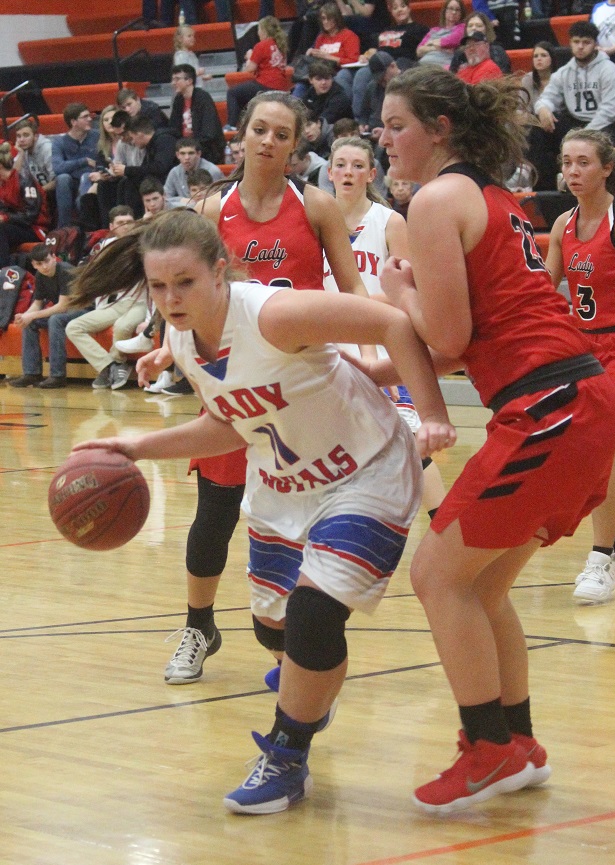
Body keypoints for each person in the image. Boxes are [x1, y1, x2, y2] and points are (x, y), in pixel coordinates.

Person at [69, 207, 452, 814]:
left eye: (185, 282)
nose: (171, 298)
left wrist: (431, 414)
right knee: (272, 630)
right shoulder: (182, 340)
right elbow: (229, 426)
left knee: (312, 616)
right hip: (284, 486)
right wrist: (136, 447)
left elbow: (393, 323)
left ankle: (286, 755)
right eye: (159, 286)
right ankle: (311, 692)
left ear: (220, 271)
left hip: (367, 467)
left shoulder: (273, 315)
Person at [375, 65, 615, 813]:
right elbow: (466, 344)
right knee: (481, 586)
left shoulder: (433, 201)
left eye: (396, 125)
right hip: (576, 398)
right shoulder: (491, 198)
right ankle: (517, 743)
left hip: (549, 406)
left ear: (439, 129)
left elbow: (446, 333)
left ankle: (487, 748)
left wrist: (399, 293)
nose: (385, 139)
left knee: (435, 577)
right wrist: (372, 364)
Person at [148, 90, 375, 686]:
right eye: (260, 130)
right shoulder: (211, 207)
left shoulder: (317, 206)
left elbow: (352, 290)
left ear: (296, 144)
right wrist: (163, 345)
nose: (269, 141)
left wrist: (372, 356)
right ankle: (199, 626)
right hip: (234, 384)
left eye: (282, 133)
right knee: (214, 515)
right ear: (241, 135)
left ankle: (296, 645)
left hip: (301, 390)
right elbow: (179, 284)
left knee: (302, 521)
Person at [545, 129, 615, 602]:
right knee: (608, 452)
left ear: (607, 168)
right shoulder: (563, 224)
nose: (572, 171)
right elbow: (544, 292)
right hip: (587, 348)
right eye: (567, 162)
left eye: (583, 162)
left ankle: (601, 558)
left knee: (601, 448)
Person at [323, 135, 446, 513]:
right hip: (330, 349)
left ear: (371, 174)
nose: (348, 172)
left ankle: (444, 522)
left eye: (357, 165)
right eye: (341, 165)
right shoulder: (315, 221)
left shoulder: (390, 221)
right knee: (332, 450)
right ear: (329, 172)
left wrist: (371, 321)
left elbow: (410, 291)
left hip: (383, 343)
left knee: (409, 443)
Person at [529, 21, 615, 191]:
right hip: (578, 123)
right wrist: (543, 109)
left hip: (610, 124)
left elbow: (610, 110)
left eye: (586, 42)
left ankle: (613, 190)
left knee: (613, 139)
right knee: (539, 125)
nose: (581, 47)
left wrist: (583, 135)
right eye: (576, 42)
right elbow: (546, 97)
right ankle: (545, 189)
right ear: (570, 43)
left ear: (595, 44)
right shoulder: (564, 72)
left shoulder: (610, 70)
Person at [65, 207, 147, 390]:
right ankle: (108, 366)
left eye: (129, 222)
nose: (126, 226)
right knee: (73, 327)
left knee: (122, 326)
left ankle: (118, 362)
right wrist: (99, 306)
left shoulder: (144, 244)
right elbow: (98, 278)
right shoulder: (105, 246)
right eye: (120, 223)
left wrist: (150, 319)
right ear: (111, 227)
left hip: (140, 303)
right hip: (116, 304)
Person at [8, 242, 85, 389]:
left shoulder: (65, 271)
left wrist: (32, 315)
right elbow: (37, 303)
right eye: (39, 264)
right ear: (33, 265)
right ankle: (32, 373)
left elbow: (62, 306)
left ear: (54, 258)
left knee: (55, 320)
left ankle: (58, 376)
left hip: (85, 308)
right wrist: (24, 316)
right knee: (30, 322)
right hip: (66, 311)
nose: (44, 266)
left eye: (47, 261)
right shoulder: (40, 276)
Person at [224, 17, 291, 130]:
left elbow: (249, 69)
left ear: (263, 30)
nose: (258, 33)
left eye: (259, 29)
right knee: (245, 94)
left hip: (265, 84)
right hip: (281, 86)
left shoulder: (262, 45)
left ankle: (232, 125)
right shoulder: (281, 45)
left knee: (233, 93)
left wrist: (249, 56)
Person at [109, 116, 178, 218]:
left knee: (131, 185)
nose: (132, 142)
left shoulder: (164, 140)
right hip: (156, 179)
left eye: (132, 138)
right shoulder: (151, 144)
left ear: (140, 135)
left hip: (167, 180)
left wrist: (127, 170)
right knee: (123, 183)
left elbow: (160, 167)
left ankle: (135, 219)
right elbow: (145, 167)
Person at [0, 142, 49, 268]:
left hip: (35, 228)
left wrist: (6, 217)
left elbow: (31, 215)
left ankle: (4, 270)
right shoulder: (3, 184)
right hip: (16, 226)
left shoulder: (24, 179)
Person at [51, 103, 99, 228]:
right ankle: (64, 228)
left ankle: (87, 227)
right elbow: (58, 168)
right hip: (71, 183)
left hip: (92, 180)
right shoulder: (59, 141)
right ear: (73, 122)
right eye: (85, 117)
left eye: (89, 116)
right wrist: (84, 161)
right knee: (62, 178)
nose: (90, 119)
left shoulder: (97, 136)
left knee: (86, 176)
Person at [169, 64, 226, 164]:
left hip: (205, 150)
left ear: (189, 81)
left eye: (177, 79)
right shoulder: (178, 100)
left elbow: (209, 133)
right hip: (184, 148)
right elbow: (173, 128)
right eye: (173, 79)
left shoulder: (203, 98)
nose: (173, 83)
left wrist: (189, 146)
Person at [304, 3, 361, 98]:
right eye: (323, 19)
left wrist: (328, 57)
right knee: (302, 83)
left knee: (340, 77)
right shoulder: (321, 37)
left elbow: (353, 61)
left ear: (336, 19)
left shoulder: (349, 36)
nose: (325, 22)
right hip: (322, 71)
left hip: (341, 70)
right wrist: (311, 53)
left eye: (329, 19)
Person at [164, 138, 223, 210]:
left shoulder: (212, 171)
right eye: (182, 153)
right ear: (177, 155)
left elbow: (220, 198)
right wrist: (181, 199)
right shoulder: (175, 172)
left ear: (198, 154)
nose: (187, 157)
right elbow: (165, 198)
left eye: (191, 153)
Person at [416, 0, 467, 67]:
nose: (454, 12)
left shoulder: (462, 27)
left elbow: (452, 41)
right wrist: (435, 48)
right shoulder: (434, 30)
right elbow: (419, 51)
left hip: (442, 66)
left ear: (461, 13)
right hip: (422, 65)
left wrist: (431, 43)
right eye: (451, 8)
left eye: (457, 10)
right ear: (445, 11)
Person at [302, 59, 353, 124]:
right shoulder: (310, 93)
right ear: (310, 80)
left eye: (327, 78)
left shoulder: (339, 97)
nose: (323, 82)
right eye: (319, 79)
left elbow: (324, 122)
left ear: (332, 78)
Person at [13, 118, 56, 194]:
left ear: (35, 136)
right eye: (18, 136)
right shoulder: (23, 150)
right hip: (38, 193)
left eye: (26, 135)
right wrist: (21, 154)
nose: (21, 140)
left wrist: (36, 192)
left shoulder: (47, 148)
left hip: (54, 192)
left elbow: (57, 181)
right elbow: (14, 178)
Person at [520, 41, 558, 110]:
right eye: (535, 56)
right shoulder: (527, 79)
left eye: (543, 55)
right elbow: (522, 108)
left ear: (552, 59)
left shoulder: (560, 79)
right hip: (532, 116)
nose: (539, 59)